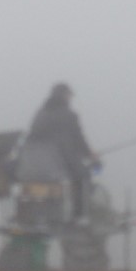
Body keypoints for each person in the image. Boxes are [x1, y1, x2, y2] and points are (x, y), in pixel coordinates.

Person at [25, 83, 100, 219]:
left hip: (35, 166)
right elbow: (78, 139)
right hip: (61, 162)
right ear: (65, 95)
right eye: (69, 95)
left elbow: (32, 137)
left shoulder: (41, 114)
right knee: (84, 177)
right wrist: (91, 155)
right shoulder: (69, 115)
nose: (71, 98)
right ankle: (80, 216)